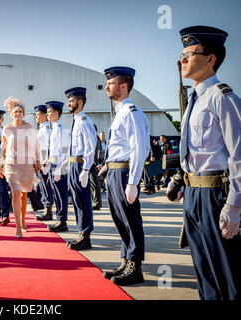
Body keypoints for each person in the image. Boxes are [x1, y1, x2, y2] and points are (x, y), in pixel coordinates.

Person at [168, 25, 240, 300]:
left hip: (215, 195)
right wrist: (180, 179)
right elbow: (192, 149)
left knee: (227, 271)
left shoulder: (223, 98)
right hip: (194, 193)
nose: (182, 60)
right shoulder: (194, 101)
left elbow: (238, 155)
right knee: (204, 270)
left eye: (190, 53)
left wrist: (234, 206)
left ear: (211, 59)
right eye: (182, 55)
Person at [99, 66, 150, 285]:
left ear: (124, 86)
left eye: (111, 83)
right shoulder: (120, 111)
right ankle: (126, 261)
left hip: (124, 173)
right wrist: (105, 166)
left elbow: (139, 149)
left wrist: (133, 182)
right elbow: (117, 146)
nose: (107, 87)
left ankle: (135, 267)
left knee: (130, 219)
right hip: (113, 171)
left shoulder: (132, 112)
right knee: (120, 219)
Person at [0, 97, 41, 238]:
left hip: (26, 164)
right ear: (12, 114)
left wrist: (38, 160)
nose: (18, 114)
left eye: (20, 111)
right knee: (16, 192)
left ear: (23, 114)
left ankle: (23, 220)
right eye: (16, 112)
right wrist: (0, 164)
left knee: (24, 195)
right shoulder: (7, 128)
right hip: (11, 163)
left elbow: (35, 145)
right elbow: (3, 148)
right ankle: (17, 226)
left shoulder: (29, 127)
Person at [65, 87, 96, 250]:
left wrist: (85, 170)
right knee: (77, 200)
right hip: (73, 163)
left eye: (71, 101)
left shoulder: (84, 120)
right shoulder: (76, 120)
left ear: (80, 102)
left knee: (83, 200)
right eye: (68, 101)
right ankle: (81, 232)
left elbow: (91, 146)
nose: (69, 103)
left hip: (80, 164)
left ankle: (86, 235)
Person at [44, 101, 70, 233]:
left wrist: (60, 168)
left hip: (60, 165)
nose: (47, 114)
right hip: (53, 164)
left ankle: (62, 221)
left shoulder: (61, 129)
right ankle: (59, 219)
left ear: (56, 113)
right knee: (55, 193)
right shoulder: (54, 128)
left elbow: (64, 150)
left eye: (49, 112)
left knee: (61, 194)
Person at [34, 104, 55, 221]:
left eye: (38, 114)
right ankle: (47, 209)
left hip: (44, 164)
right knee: (42, 187)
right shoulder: (41, 128)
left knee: (46, 188)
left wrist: (46, 162)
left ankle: (49, 211)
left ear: (44, 115)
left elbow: (49, 147)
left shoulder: (46, 129)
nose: (36, 117)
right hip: (40, 163)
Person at [91, 124, 102, 210]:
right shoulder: (95, 137)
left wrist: (98, 163)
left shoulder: (95, 138)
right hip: (94, 163)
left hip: (94, 164)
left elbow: (97, 152)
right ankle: (96, 201)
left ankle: (97, 203)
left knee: (95, 184)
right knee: (93, 184)